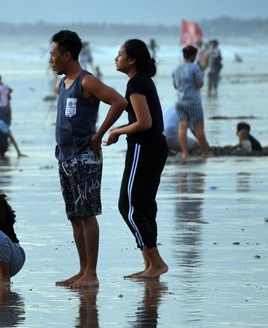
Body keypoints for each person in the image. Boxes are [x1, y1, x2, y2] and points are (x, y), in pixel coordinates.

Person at [49, 30, 127, 288]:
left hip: (85, 156)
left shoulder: (86, 81)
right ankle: (82, 270)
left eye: (53, 54)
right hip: (65, 156)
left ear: (67, 55)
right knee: (74, 215)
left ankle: (91, 272)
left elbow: (118, 102)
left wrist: (99, 135)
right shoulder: (62, 84)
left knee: (87, 213)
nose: (51, 59)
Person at [105, 38, 170, 279]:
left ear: (131, 59)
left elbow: (144, 123)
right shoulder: (142, 81)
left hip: (145, 148)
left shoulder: (136, 84)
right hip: (153, 147)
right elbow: (144, 122)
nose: (116, 58)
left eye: (120, 54)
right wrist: (119, 132)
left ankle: (157, 263)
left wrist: (116, 131)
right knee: (143, 206)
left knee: (129, 207)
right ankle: (150, 266)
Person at [172, 45, 212, 160]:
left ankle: (185, 153)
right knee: (198, 128)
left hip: (180, 102)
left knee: (182, 127)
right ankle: (205, 152)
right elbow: (199, 84)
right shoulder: (195, 68)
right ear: (193, 56)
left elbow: (175, 86)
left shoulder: (176, 69)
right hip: (193, 102)